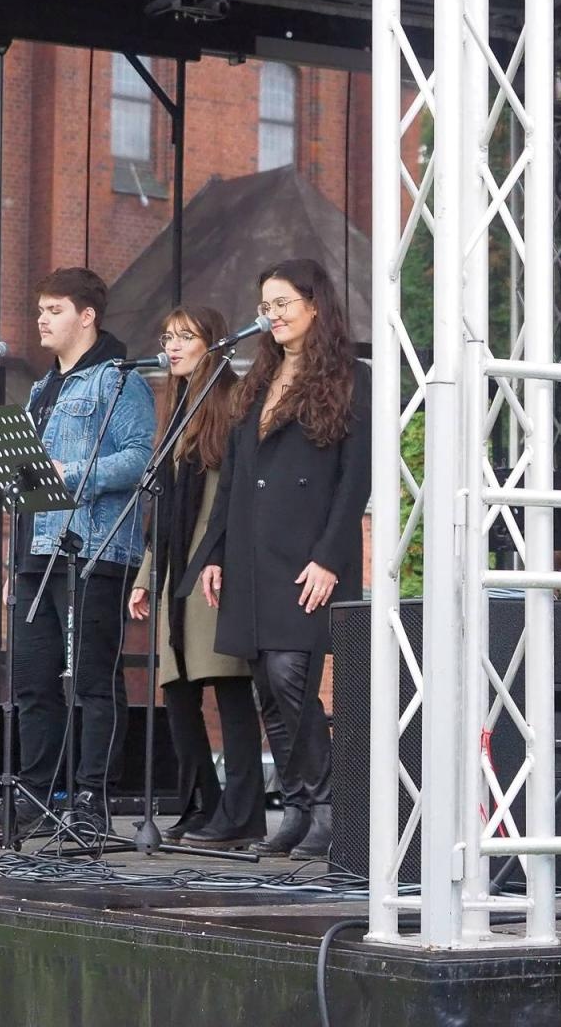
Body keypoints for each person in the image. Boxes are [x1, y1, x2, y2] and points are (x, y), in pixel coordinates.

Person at [185, 258, 372, 860]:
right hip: (249, 552)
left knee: (293, 675)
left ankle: (327, 805)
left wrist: (329, 560)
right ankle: (295, 806)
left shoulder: (350, 378)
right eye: (266, 306)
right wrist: (214, 553)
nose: (273, 315)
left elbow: (355, 482)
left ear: (315, 305)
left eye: (284, 303)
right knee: (265, 684)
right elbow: (234, 479)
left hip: (306, 557)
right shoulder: (255, 382)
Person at [0, 267, 155, 837]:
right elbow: (29, 483)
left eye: (54, 309)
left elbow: (140, 457)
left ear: (87, 316)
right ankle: (34, 795)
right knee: (32, 681)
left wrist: (74, 471)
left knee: (91, 681)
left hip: (93, 549)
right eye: (40, 310)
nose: (41, 319)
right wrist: (16, 559)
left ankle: (90, 799)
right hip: (38, 552)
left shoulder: (117, 380)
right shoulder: (40, 390)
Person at [128, 306, 266, 847]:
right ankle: (202, 804)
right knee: (177, 692)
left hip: (214, 567)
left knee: (229, 688)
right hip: (174, 570)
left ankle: (242, 813)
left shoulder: (231, 403)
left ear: (212, 341)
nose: (174, 345)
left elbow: (227, 500)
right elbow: (161, 510)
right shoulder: (178, 410)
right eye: (168, 336)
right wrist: (145, 576)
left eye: (186, 336)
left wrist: (218, 558)